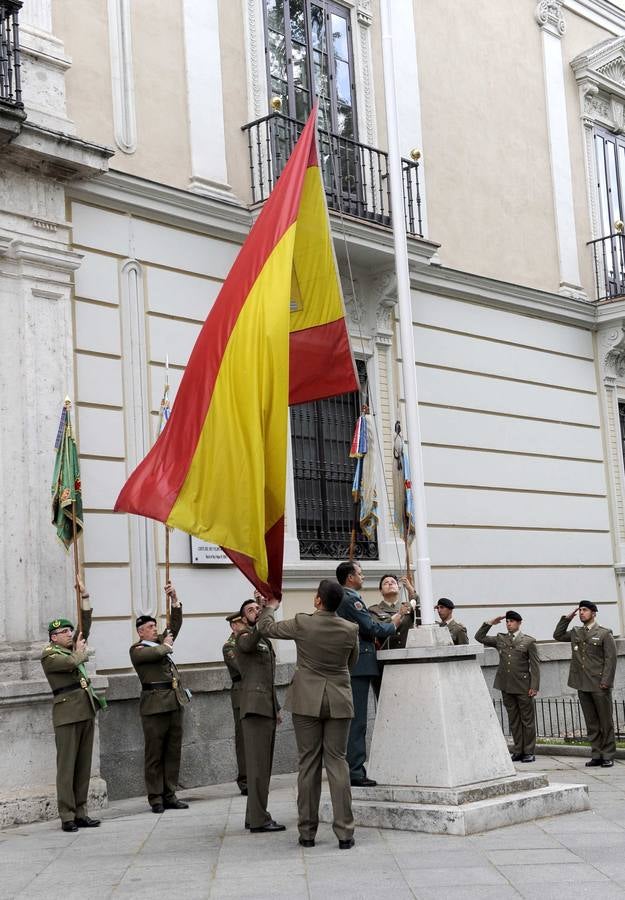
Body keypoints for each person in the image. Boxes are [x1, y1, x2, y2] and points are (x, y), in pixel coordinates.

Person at [258, 579, 359, 850]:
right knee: (338, 763)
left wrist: (270, 606)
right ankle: (345, 834)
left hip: (306, 700)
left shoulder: (303, 622)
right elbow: (352, 663)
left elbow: (265, 628)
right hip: (339, 699)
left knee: (309, 764)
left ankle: (307, 832)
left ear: (318, 600)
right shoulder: (351, 628)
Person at [41, 578, 106, 832]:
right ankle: (66, 815)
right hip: (67, 713)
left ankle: (81, 811)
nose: (70, 634)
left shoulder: (70, 648)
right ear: (53, 637)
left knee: (83, 766)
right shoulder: (50, 654)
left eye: (70, 631)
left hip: (85, 709)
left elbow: (84, 627)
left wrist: (85, 597)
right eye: (64, 632)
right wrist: (80, 652)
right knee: (66, 767)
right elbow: (70, 664)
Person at [336, 561, 402, 788]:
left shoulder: (346, 597)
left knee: (356, 721)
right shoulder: (351, 599)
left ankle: (353, 768)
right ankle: (355, 771)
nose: (363, 577)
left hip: (357, 664)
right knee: (358, 721)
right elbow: (370, 628)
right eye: (360, 573)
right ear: (350, 577)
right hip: (360, 664)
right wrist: (394, 622)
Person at [129, 581, 190, 813]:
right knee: (154, 753)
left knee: (173, 750)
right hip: (154, 706)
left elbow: (175, 626)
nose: (155, 629)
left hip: (174, 702)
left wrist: (175, 600)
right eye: (150, 627)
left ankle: (170, 793)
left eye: (155, 626)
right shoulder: (138, 650)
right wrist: (165, 645)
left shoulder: (160, 642)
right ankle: (155, 797)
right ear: (141, 631)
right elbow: (159, 651)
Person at [235, 597, 285, 833]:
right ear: (243, 618)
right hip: (254, 708)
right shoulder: (243, 637)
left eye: (257, 608)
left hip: (265, 707)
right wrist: (268, 610)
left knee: (261, 767)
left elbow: (268, 678)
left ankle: (252, 815)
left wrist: (275, 707)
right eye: (251, 610)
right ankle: (259, 819)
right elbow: (250, 643)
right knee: (257, 767)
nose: (256, 611)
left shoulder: (262, 639)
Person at [553, 600, 617, 768]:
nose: (582, 613)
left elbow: (611, 660)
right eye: (580, 610)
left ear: (594, 613)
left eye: (585, 610)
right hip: (582, 683)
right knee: (592, 722)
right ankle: (596, 754)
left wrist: (606, 682)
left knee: (605, 721)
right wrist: (566, 619)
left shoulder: (604, 633)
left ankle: (608, 754)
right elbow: (558, 635)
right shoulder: (576, 632)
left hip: (599, 684)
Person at [475, 611, 540, 762]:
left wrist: (534, 686)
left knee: (527, 720)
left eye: (512, 621)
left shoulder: (528, 641)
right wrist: (490, 623)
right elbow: (479, 637)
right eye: (507, 621)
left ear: (519, 623)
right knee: (514, 720)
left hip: (524, 686)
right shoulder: (501, 639)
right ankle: (518, 750)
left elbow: (535, 666)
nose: (509, 623)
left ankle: (529, 751)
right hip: (506, 685)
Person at [222, 612, 247, 795]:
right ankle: (245, 780)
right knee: (244, 739)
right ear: (233, 625)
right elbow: (243, 667)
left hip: (257, 691)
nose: (244, 624)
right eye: (240, 622)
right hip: (241, 693)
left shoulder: (250, 641)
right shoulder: (229, 646)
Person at [368, 573, 417, 650]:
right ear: (381, 591)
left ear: (398, 588)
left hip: (408, 655)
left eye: (393, 582)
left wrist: (411, 590)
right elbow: (376, 629)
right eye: (386, 583)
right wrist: (398, 614)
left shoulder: (407, 606)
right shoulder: (374, 610)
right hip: (385, 656)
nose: (390, 584)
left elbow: (422, 611)